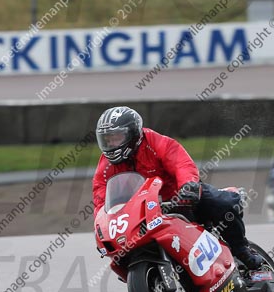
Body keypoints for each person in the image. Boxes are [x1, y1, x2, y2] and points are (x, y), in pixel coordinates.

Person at [92, 106, 263, 269]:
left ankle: (242, 251)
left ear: (134, 134)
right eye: (108, 139)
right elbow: (101, 198)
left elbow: (181, 163)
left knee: (223, 203)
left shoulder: (155, 143)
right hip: (143, 212)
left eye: (117, 137)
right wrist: (103, 224)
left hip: (181, 197)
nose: (112, 144)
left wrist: (188, 186)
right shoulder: (105, 167)